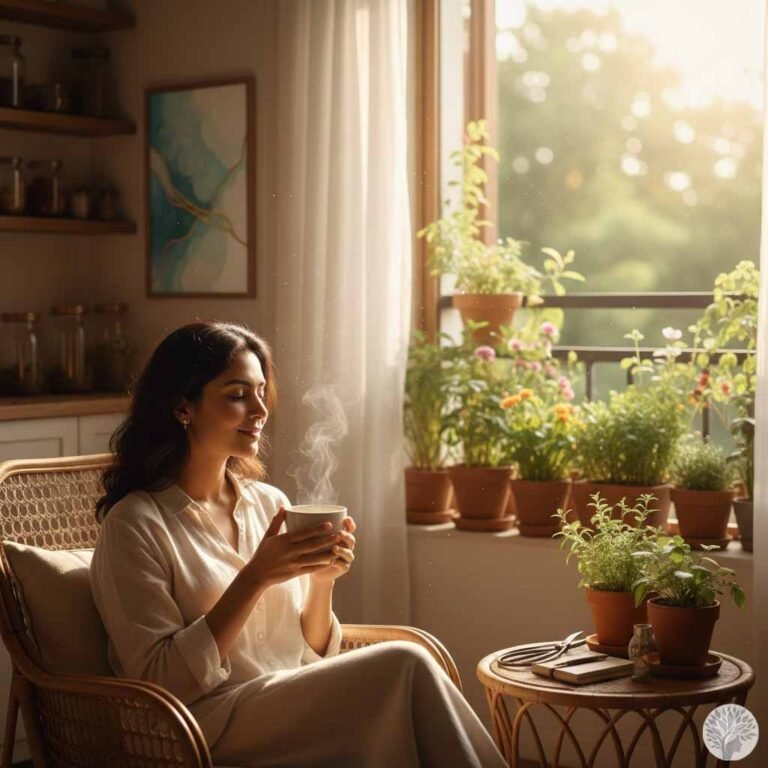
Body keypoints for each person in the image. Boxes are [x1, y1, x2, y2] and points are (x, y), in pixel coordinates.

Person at [90, 321, 507, 768]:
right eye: (236, 394)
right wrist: (255, 577)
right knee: (404, 663)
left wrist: (322, 581)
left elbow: (309, 650)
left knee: (407, 675)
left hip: (289, 698)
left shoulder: (270, 504)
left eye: (260, 391)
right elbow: (160, 683)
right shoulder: (135, 525)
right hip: (204, 725)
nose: (259, 409)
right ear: (182, 406)